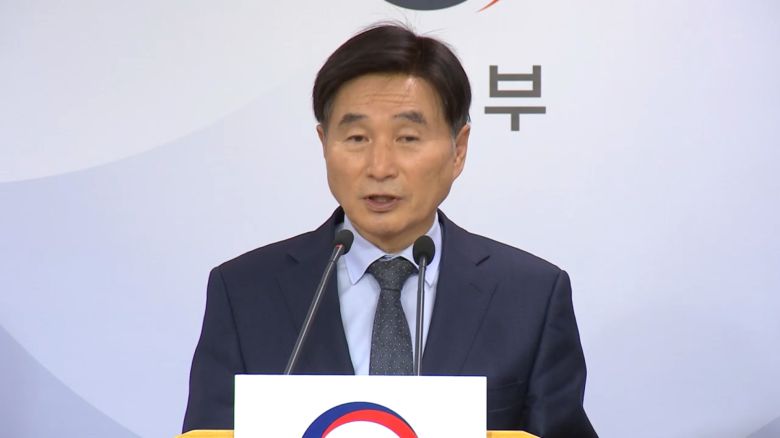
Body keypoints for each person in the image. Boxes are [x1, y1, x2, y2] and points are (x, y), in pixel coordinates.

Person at [183, 24, 597, 437]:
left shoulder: (530, 296)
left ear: (458, 150)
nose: (380, 167)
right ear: (324, 144)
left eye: (408, 137)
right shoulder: (244, 292)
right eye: (357, 137)